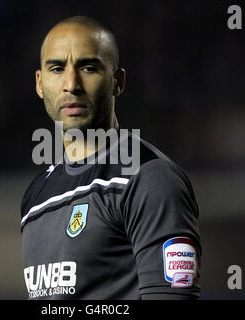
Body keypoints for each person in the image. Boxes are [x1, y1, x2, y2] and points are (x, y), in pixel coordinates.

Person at [20, 16, 201, 300]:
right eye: (57, 68)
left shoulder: (149, 178)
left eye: (88, 67)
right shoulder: (35, 197)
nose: (71, 84)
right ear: (40, 84)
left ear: (118, 81)